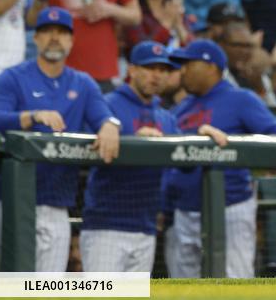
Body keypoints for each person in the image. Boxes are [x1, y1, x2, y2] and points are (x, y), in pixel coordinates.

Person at [164, 39, 276, 278]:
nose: (181, 71)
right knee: (184, 289)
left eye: (188, 64)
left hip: (231, 206)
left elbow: (274, 134)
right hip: (185, 210)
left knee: (235, 281)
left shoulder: (240, 99)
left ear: (211, 67)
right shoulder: (181, 109)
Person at [0, 7, 120, 271]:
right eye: (47, 31)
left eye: (61, 32)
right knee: (9, 288)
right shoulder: (12, 77)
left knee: (48, 293)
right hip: (10, 201)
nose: (54, 38)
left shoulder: (83, 83)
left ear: (71, 41)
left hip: (57, 203)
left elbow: (102, 115)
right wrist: (32, 116)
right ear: (35, 38)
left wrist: (109, 125)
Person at [80, 41, 226, 272]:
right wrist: (134, 141)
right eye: (150, 68)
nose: (157, 76)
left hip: (146, 228)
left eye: (163, 70)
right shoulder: (107, 106)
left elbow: (186, 163)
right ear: (132, 70)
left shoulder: (166, 117)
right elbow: (85, 150)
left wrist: (200, 135)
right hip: (106, 226)